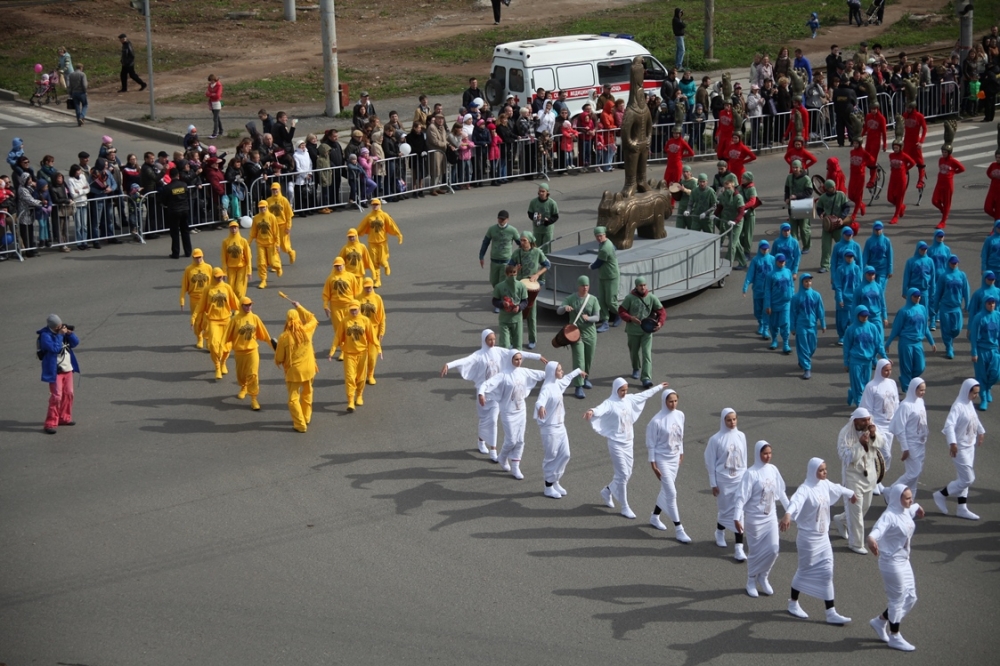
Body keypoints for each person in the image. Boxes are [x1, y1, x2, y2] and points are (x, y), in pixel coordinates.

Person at [442, 330, 544, 459]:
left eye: (494, 339)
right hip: (483, 393)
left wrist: (537, 356)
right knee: (485, 419)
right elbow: (464, 361)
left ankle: (493, 449)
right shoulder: (478, 355)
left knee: (493, 420)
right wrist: (448, 365)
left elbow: (517, 353)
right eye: (489, 339)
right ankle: (481, 440)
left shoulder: (499, 351)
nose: (492, 342)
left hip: (496, 393)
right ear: (484, 340)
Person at [782, 458, 857, 623]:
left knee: (827, 572)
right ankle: (793, 603)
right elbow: (795, 502)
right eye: (821, 470)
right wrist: (788, 514)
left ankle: (831, 612)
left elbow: (836, 487)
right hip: (808, 539)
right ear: (812, 471)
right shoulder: (805, 489)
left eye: (825, 469)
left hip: (823, 539)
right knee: (804, 570)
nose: (825, 472)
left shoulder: (824, 484)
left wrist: (850, 493)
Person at [586, 379, 667, 519]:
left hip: (629, 442)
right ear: (615, 389)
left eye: (626, 390)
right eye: (622, 390)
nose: (624, 393)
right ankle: (624, 506)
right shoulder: (609, 403)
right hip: (616, 443)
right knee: (623, 474)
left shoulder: (629, 399)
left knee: (627, 474)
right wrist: (591, 411)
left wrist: (659, 387)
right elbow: (600, 409)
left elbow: (644, 395)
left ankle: (607, 491)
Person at [866, 484, 924, 652]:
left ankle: (880, 620)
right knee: (897, 599)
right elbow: (877, 531)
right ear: (897, 499)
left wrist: (918, 507)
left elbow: (913, 508)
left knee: (911, 597)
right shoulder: (889, 516)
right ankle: (895, 636)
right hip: (890, 562)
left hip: (904, 561)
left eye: (910, 497)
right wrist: (871, 540)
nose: (910, 500)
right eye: (907, 498)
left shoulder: (906, 509)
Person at [479, 351, 546, 480]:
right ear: (510, 359)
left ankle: (515, 467)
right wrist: (481, 393)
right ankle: (503, 457)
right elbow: (486, 384)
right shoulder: (503, 375)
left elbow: (542, 374)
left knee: (520, 440)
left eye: (520, 359)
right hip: (508, 412)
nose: (519, 361)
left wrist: (555, 372)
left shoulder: (524, 371)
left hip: (521, 410)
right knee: (511, 440)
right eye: (516, 359)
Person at [735, 441, 790, 597]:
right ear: (758, 453)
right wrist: (737, 517)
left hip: (770, 517)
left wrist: (790, 512)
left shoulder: (773, 470)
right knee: (755, 551)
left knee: (774, 549)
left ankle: (763, 576)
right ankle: (751, 580)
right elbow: (741, 497)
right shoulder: (751, 473)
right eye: (765, 453)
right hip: (754, 519)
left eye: (770, 453)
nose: (768, 456)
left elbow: (781, 493)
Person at [833, 408, 890, 554]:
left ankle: (841, 519)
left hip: (869, 477)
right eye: (863, 420)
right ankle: (856, 543)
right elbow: (846, 457)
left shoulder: (871, 429)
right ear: (855, 421)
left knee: (864, 508)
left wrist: (873, 435)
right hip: (853, 478)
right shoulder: (845, 434)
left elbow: (882, 443)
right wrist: (859, 444)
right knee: (856, 513)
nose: (866, 423)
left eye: (868, 420)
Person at [933, 379, 986, 519]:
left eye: (977, 393)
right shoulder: (958, 406)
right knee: (968, 479)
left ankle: (962, 508)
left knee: (962, 477)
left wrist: (981, 431)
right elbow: (949, 425)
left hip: (970, 446)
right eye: (974, 393)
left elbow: (975, 418)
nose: (976, 396)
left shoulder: (968, 404)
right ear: (966, 391)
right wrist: (953, 443)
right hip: (960, 448)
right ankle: (941, 494)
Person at [645, 389, 693, 543]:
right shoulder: (656, 421)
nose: (673, 404)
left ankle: (654, 516)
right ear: (664, 401)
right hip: (662, 460)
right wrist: (653, 465)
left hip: (674, 459)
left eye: (675, 401)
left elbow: (680, 437)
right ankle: (679, 529)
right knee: (671, 493)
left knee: (666, 489)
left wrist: (681, 453)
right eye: (670, 401)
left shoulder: (680, 415)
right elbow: (651, 444)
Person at [534, 361, 584, 497]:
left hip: (561, 426)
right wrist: (541, 407)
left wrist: (579, 371)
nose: (562, 372)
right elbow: (540, 400)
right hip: (550, 428)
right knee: (551, 456)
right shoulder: (547, 388)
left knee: (565, 454)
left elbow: (567, 378)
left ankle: (555, 480)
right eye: (559, 370)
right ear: (552, 372)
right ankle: (548, 486)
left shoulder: (557, 384)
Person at [705, 408, 748, 561]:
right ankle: (719, 532)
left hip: (739, 479)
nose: (732, 422)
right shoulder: (716, 439)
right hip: (723, 480)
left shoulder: (741, 436)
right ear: (723, 421)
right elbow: (710, 462)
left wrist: (746, 479)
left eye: (734, 419)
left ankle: (738, 548)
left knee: (739, 511)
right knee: (725, 510)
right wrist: (713, 483)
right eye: (729, 420)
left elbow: (744, 459)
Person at [273, 301, 318, 432]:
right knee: (308, 392)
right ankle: (306, 416)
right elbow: (312, 319)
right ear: (298, 319)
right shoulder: (307, 331)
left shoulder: (284, 337)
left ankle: (300, 424)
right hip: (309, 369)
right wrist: (299, 306)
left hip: (294, 373)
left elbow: (280, 358)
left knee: (293, 399)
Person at [224, 296, 273, 411]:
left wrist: (274, 347)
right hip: (240, 352)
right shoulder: (235, 320)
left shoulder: (255, 318)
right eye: (246, 305)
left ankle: (254, 398)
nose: (248, 307)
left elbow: (265, 334)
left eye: (250, 304)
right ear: (241, 306)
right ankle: (243, 387)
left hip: (252, 351)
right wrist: (222, 347)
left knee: (253, 374)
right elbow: (226, 335)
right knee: (241, 374)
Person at [332, 300, 380, 412]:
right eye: (352, 309)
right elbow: (338, 337)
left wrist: (378, 348)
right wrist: (333, 350)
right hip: (349, 354)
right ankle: (350, 401)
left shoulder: (365, 320)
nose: (353, 311)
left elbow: (372, 336)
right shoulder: (345, 321)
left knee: (361, 377)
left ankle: (359, 395)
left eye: (355, 309)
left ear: (359, 309)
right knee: (349, 378)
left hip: (362, 353)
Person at [558, 276, 601, 400]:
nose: (585, 287)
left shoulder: (593, 299)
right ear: (578, 286)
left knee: (588, 359)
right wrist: (565, 308)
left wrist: (589, 318)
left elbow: (597, 317)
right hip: (575, 334)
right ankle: (578, 386)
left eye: (587, 285)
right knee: (579, 359)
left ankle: (585, 377)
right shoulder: (571, 298)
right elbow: (559, 311)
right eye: (583, 285)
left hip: (591, 334)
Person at [618, 277, 666, 388]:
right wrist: (630, 318)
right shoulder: (629, 298)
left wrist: (660, 323)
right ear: (636, 286)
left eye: (644, 285)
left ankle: (646, 378)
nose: (643, 287)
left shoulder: (652, 297)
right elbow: (621, 311)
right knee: (634, 352)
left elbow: (661, 311)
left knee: (646, 354)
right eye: (640, 285)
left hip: (647, 331)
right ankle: (635, 367)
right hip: (633, 331)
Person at [885, 290, 936, 391]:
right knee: (906, 367)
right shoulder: (904, 311)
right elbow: (896, 328)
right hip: (906, 343)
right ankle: (907, 387)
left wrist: (932, 342)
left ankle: (905, 379)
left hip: (918, 343)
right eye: (915, 296)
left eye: (919, 296)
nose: (918, 298)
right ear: (909, 297)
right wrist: (888, 343)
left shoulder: (922, 309)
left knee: (921, 366)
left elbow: (925, 327)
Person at [861, 359, 900, 493]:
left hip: (890, 426)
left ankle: (877, 480)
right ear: (879, 370)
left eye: (890, 370)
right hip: (877, 426)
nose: (888, 372)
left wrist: (898, 420)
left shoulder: (892, 383)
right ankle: (874, 481)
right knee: (886, 454)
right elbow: (867, 408)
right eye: (885, 370)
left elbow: (896, 403)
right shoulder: (871, 386)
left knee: (882, 456)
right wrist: (870, 426)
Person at [194, 268, 239, 379]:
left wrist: (242, 313)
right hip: (213, 321)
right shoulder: (208, 289)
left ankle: (223, 362)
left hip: (226, 320)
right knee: (214, 345)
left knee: (227, 346)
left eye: (222, 276)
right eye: (218, 277)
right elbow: (201, 304)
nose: (220, 278)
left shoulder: (227, 287)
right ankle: (217, 367)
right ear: (213, 277)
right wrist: (194, 317)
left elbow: (236, 302)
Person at [38, 314, 80, 434]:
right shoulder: (45, 336)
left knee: (69, 393)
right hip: (55, 371)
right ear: (54, 327)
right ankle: (50, 423)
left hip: (68, 369)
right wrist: (60, 335)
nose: (61, 327)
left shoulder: (62, 333)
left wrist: (70, 334)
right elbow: (55, 349)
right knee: (56, 397)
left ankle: (64, 418)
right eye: (58, 326)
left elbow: (76, 343)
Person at [890, 379, 929, 497]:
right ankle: (892, 490)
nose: (923, 392)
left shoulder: (920, 402)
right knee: (913, 472)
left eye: (924, 390)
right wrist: (905, 448)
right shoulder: (906, 406)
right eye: (920, 390)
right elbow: (899, 428)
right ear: (913, 388)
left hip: (921, 442)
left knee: (915, 475)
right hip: (911, 443)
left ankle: (910, 500)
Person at [843, 306, 887, 407]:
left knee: (866, 385)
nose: (865, 318)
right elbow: (846, 347)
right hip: (855, 361)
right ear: (857, 315)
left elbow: (878, 344)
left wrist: (884, 358)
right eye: (862, 316)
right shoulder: (851, 329)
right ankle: (860, 406)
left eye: (866, 316)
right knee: (858, 386)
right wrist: (846, 362)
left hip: (868, 361)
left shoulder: (872, 328)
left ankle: (852, 393)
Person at [356, 198, 403, 288]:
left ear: (380, 205)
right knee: (374, 262)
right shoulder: (369, 217)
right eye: (373, 204)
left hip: (382, 242)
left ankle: (386, 265)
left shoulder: (384, 215)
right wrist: (355, 234)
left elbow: (392, 225)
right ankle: (377, 280)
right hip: (372, 242)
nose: (375, 206)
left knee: (382, 260)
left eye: (377, 204)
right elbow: (362, 226)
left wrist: (398, 234)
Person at [323, 257, 362, 361]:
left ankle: (350, 348)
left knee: (349, 328)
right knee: (339, 330)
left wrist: (358, 306)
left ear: (344, 265)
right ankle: (343, 350)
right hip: (335, 307)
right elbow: (326, 294)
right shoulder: (330, 278)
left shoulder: (351, 277)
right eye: (336, 266)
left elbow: (357, 293)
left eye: (340, 265)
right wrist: (325, 305)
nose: (338, 267)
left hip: (349, 306)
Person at [790, 274, 826, 379]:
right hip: (801, 325)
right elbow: (793, 313)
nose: (808, 283)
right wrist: (792, 327)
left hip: (812, 325)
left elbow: (820, 310)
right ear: (802, 283)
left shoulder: (816, 295)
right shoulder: (796, 298)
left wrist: (823, 324)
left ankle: (803, 359)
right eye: (805, 281)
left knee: (812, 346)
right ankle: (807, 368)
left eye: (809, 281)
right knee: (803, 346)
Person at [933, 255, 970, 359]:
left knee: (957, 328)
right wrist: (935, 308)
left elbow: (966, 290)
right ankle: (949, 347)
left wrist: (967, 303)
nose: (954, 264)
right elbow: (938, 293)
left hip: (956, 307)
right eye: (952, 262)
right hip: (945, 307)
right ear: (948, 263)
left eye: (956, 263)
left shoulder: (962, 275)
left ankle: (950, 339)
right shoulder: (944, 276)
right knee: (946, 329)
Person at [970, 296, 1000, 410]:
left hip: (994, 349)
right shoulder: (979, 317)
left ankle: (988, 388)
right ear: (985, 304)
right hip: (982, 350)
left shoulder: (998, 316)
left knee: (996, 374)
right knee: (981, 376)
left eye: (993, 303)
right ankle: (983, 398)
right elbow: (973, 336)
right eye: (989, 303)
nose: (991, 305)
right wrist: (974, 352)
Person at [180, 248, 213, 349]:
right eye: (196, 257)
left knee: (207, 320)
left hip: (206, 298)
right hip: (194, 298)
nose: (198, 259)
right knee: (197, 321)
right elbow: (184, 286)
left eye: (200, 257)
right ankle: (199, 337)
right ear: (193, 258)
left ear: (203, 256)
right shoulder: (189, 269)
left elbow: (213, 284)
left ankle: (207, 340)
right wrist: (182, 300)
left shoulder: (208, 267)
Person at [479, 210, 520, 291]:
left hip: (506, 261)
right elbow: (485, 242)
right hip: (494, 260)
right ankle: (499, 293)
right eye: (499, 219)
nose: (501, 221)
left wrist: (518, 258)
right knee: (493, 281)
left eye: (503, 219)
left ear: (507, 219)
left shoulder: (512, 230)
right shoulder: (492, 229)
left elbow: (520, 244)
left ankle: (501, 298)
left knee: (502, 282)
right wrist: (481, 256)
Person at [743, 240, 776, 339]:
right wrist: (745, 287)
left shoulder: (773, 259)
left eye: (766, 249)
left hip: (769, 291)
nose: (765, 250)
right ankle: (760, 322)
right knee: (757, 310)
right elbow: (750, 274)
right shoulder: (755, 260)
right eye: (763, 249)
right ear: (759, 249)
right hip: (758, 289)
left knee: (766, 309)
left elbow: (778, 273)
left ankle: (765, 328)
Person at [816, 180, 851, 273]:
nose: (834, 188)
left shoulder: (841, 195)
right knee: (825, 247)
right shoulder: (823, 197)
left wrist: (842, 218)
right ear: (827, 188)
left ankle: (846, 261)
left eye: (834, 186)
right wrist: (820, 214)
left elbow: (846, 207)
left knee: (842, 245)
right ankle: (825, 265)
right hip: (827, 226)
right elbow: (819, 207)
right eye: (831, 187)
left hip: (838, 226)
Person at [590, 226, 621, 331]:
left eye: (601, 236)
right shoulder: (604, 243)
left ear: (605, 235)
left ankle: (620, 314)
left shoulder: (605, 247)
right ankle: (605, 321)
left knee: (610, 301)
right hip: (603, 276)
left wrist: (591, 266)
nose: (599, 238)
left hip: (611, 276)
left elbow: (599, 262)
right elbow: (615, 248)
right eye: (597, 236)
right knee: (602, 300)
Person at [492, 264, 529, 349]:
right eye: (510, 273)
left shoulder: (521, 286)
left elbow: (525, 301)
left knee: (518, 345)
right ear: (506, 274)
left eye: (514, 272)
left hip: (517, 319)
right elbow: (495, 301)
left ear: (517, 273)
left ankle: (517, 360)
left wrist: (519, 307)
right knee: (505, 344)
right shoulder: (499, 286)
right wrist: (502, 304)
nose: (512, 275)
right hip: (504, 319)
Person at [158, 168, 192, 259]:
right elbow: (188, 196)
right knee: (185, 231)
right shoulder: (184, 185)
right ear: (178, 175)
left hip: (174, 211)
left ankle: (175, 253)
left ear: (170, 176)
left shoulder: (168, 187)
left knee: (175, 233)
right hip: (185, 210)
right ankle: (188, 252)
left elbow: (163, 200)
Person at [764, 254, 794, 354]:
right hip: (774, 303)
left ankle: (786, 343)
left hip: (786, 303)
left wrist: (793, 298)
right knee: (774, 324)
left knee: (785, 323)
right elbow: (767, 290)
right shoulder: (771, 275)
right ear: (776, 261)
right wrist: (768, 305)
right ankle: (774, 340)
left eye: (783, 261)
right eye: (780, 261)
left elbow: (791, 286)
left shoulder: (788, 272)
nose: (782, 263)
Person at [358, 278, 385, 385]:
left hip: (374, 330)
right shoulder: (358, 298)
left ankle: (370, 374)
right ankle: (360, 375)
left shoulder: (377, 299)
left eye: (370, 287)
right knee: (361, 355)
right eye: (366, 287)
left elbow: (382, 317)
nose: (368, 289)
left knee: (372, 356)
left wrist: (381, 332)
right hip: (361, 331)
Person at [249, 200, 281, 289]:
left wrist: (277, 244)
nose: (262, 209)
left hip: (271, 243)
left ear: (267, 207)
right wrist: (248, 242)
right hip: (260, 243)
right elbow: (253, 232)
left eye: (263, 207)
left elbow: (276, 232)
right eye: (260, 207)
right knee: (261, 263)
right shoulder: (256, 218)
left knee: (272, 262)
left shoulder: (272, 217)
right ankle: (263, 280)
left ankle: (278, 267)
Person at [932, 146, 965, 229]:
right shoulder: (941, 159)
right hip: (939, 183)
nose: (943, 154)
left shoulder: (953, 161)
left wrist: (953, 172)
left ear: (949, 153)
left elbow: (962, 168)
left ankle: (943, 221)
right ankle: (944, 212)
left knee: (947, 203)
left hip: (948, 185)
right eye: (943, 152)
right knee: (934, 201)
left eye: (945, 152)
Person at [834, 250, 863, 345]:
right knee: (842, 319)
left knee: (853, 318)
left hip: (853, 298)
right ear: (844, 257)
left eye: (851, 256)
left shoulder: (856, 268)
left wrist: (859, 298)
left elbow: (859, 284)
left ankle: (852, 336)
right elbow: (838, 285)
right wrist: (840, 298)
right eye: (848, 256)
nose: (849, 258)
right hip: (844, 298)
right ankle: (842, 336)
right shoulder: (840, 269)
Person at [785, 160, 813, 254]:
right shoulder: (789, 177)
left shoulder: (806, 179)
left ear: (801, 167)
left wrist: (796, 196)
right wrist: (786, 198)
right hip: (792, 205)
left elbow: (809, 192)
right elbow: (787, 189)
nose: (795, 169)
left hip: (803, 205)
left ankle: (806, 246)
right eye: (793, 167)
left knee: (804, 228)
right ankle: (795, 247)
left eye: (796, 167)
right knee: (793, 229)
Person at [902, 242, 935, 319]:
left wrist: (932, 290)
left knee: (924, 310)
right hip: (913, 289)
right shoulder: (911, 261)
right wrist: (904, 291)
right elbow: (906, 276)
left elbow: (932, 277)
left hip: (924, 289)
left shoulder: (930, 261)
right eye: (922, 249)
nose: (924, 251)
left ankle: (924, 326)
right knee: (912, 308)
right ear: (918, 249)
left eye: (925, 249)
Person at [266, 182, 296, 265]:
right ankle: (276, 262)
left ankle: (291, 252)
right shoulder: (268, 201)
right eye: (273, 189)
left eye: (276, 189)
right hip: (273, 226)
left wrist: (288, 227)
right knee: (274, 245)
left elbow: (288, 215)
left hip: (283, 225)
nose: (275, 191)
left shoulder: (284, 200)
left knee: (284, 246)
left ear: (279, 189)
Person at [220, 220, 251, 299]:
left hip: (242, 267)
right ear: (229, 229)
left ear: (238, 229)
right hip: (231, 268)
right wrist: (224, 272)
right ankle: (233, 306)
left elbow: (248, 257)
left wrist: (249, 271)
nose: (233, 230)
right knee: (231, 289)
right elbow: (223, 257)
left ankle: (239, 308)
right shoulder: (225, 242)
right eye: (232, 228)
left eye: (235, 228)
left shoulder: (243, 241)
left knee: (239, 290)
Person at [886, 141, 915, 225]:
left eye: (897, 148)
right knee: (890, 198)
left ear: (900, 147)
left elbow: (912, 163)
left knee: (899, 198)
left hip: (901, 179)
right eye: (894, 148)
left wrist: (906, 169)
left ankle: (895, 216)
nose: (895, 149)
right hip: (893, 178)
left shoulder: (904, 156)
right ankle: (901, 206)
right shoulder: (891, 155)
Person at [902, 103, 928, 190]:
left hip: (916, 143)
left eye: (909, 107)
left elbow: (924, 129)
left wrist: (921, 142)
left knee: (920, 162)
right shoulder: (905, 115)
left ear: (913, 107)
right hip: (907, 142)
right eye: (907, 107)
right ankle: (902, 176)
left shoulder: (919, 116)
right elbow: (901, 127)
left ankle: (921, 180)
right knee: (904, 161)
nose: (907, 109)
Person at [863, 222, 893, 291]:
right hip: (872, 268)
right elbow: (865, 255)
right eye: (876, 230)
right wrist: (862, 269)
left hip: (883, 269)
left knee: (880, 289)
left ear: (882, 229)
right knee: (872, 288)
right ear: (873, 230)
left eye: (879, 229)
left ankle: (880, 301)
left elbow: (890, 255)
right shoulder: (869, 241)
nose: (878, 231)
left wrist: (890, 269)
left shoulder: (886, 241)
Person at [863, 103, 888, 188]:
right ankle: (876, 171)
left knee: (872, 161)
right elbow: (865, 127)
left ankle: (872, 179)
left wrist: (884, 144)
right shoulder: (868, 116)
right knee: (866, 160)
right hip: (868, 141)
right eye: (871, 109)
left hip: (876, 142)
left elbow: (884, 133)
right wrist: (860, 136)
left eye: (874, 109)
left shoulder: (881, 119)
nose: (873, 111)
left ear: (877, 109)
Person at [67, 62, 88, 127]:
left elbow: (69, 85)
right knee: (85, 105)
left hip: (74, 93)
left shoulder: (71, 75)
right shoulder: (82, 74)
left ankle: (79, 121)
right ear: (81, 68)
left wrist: (70, 93)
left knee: (77, 107)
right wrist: (85, 91)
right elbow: (84, 85)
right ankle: (81, 117)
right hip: (81, 92)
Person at [206, 74, 223, 139]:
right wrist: (212, 94)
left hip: (217, 103)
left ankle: (214, 133)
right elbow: (207, 94)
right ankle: (221, 131)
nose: (211, 82)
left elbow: (218, 95)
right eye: (210, 81)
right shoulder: (210, 85)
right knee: (217, 118)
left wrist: (211, 94)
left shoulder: (219, 85)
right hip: (212, 102)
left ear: (215, 80)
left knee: (215, 119)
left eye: (212, 80)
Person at [985, 151, 1000, 221]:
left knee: (998, 212)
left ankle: (996, 228)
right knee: (987, 208)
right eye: (997, 157)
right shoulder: (993, 165)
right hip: (992, 190)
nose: (998, 159)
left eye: (999, 157)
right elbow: (988, 173)